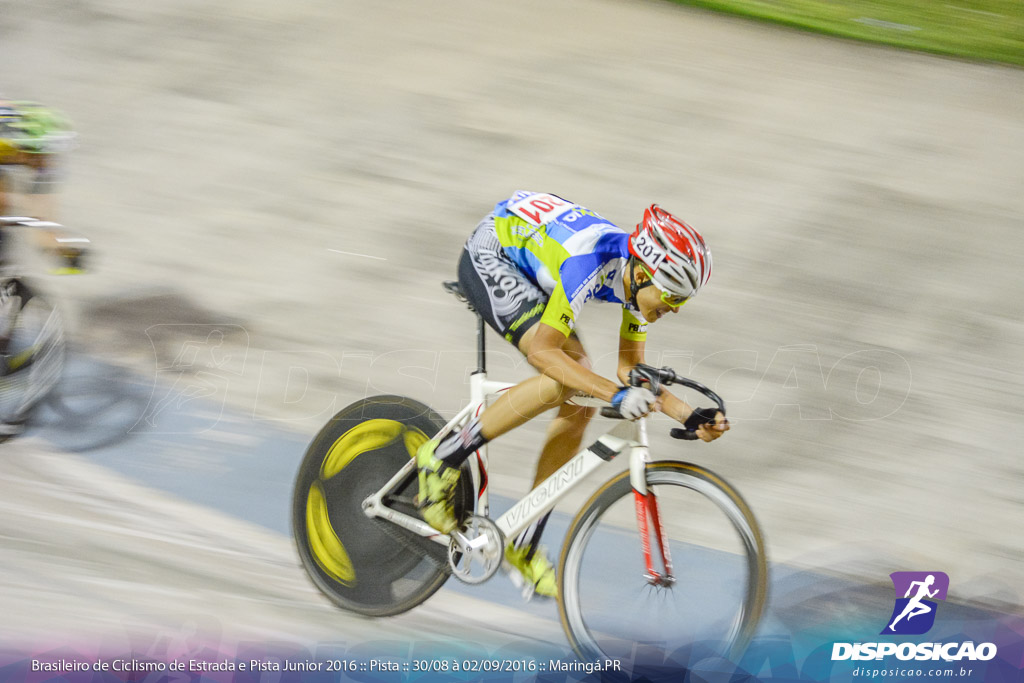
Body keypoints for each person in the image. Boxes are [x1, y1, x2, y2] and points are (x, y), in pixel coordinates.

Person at [417, 190, 729, 599]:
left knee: (579, 403)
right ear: (643, 275)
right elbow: (546, 353)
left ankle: (524, 541)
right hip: (492, 255)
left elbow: (628, 369)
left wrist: (687, 414)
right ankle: (443, 457)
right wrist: (615, 396)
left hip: (534, 260)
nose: (674, 309)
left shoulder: (635, 277)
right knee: (567, 376)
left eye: (681, 301)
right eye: (671, 297)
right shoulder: (590, 263)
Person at [0, 99, 78, 269]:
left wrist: (60, 248)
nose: (46, 162)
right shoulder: (5, 145)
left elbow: (42, 214)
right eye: (42, 156)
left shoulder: (39, 161)